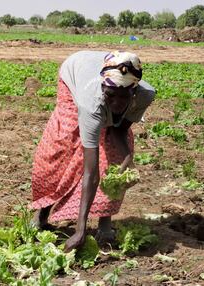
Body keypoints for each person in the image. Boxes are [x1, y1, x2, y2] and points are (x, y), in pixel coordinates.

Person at [30, 51, 155, 251]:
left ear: (134, 91)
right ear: (103, 87)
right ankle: (42, 214)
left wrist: (128, 158)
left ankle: (105, 225)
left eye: (123, 97)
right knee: (63, 146)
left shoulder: (144, 95)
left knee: (114, 155)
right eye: (111, 95)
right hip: (74, 73)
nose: (116, 103)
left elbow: (119, 129)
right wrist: (80, 230)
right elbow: (91, 172)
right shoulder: (91, 102)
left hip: (107, 77)